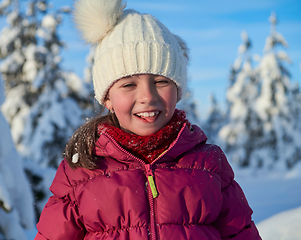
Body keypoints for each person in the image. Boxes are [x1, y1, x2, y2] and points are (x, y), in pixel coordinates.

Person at [35, 0, 261, 239]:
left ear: (178, 90)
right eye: (129, 84)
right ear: (107, 98)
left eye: (161, 82)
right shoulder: (82, 171)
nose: (147, 96)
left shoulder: (208, 164)